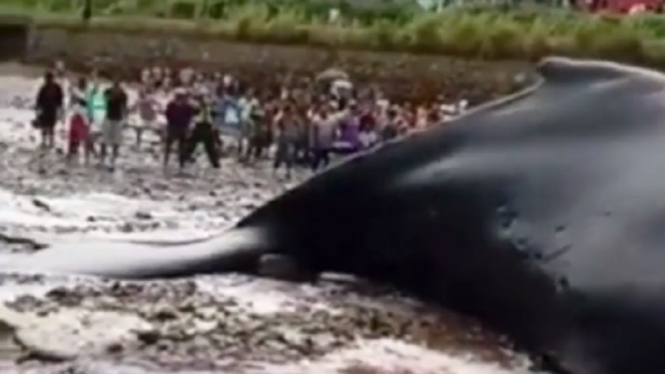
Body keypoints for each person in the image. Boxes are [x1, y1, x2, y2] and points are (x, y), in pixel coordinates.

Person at [182, 90, 220, 169]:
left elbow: (214, 114)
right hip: (199, 125)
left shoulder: (210, 106)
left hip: (207, 126)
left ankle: (215, 163)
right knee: (191, 144)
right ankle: (184, 159)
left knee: (210, 146)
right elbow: (195, 112)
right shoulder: (196, 105)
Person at [100, 78, 128, 170]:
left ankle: (107, 159)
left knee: (109, 140)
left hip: (112, 118)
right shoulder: (121, 94)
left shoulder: (117, 93)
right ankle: (109, 159)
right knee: (110, 141)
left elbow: (124, 107)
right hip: (113, 118)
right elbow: (124, 108)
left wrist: (125, 118)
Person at [164, 89, 194, 170]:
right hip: (179, 127)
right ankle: (180, 164)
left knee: (170, 146)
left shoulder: (172, 105)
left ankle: (167, 162)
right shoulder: (187, 106)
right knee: (180, 147)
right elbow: (190, 117)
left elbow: (167, 114)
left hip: (174, 127)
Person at [67, 76, 94, 164]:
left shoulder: (87, 93)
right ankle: (72, 151)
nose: (81, 84)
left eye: (83, 83)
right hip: (76, 114)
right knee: (73, 134)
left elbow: (87, 103)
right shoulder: (77, 92)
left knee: (84, 135)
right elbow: (71, 102)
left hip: (83, 116)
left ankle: (87, 154)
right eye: (80, 83)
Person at [34, 71, 64, 149]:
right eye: (47, 79)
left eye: (48, 78)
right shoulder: (47, 88)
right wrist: (37, 109)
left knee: (49, 126)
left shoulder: (49, 88)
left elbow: (60, 99)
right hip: (47, 109)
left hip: (50, 109)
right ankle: (47, 142)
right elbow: (39, 100)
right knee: (47, 126)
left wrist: (60, 108)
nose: (47, 80)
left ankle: (49, 142)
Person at [273, 104, 300, 179]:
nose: (291, 112)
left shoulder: (293, 118)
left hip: (291, 138)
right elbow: (276, 124)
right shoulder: (281, 116)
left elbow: (298, 125)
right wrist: (280, 129)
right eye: (290, 111)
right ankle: (275, 170)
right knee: (280, 154)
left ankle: (288, 171)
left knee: (289, 155)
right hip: (283, 138)